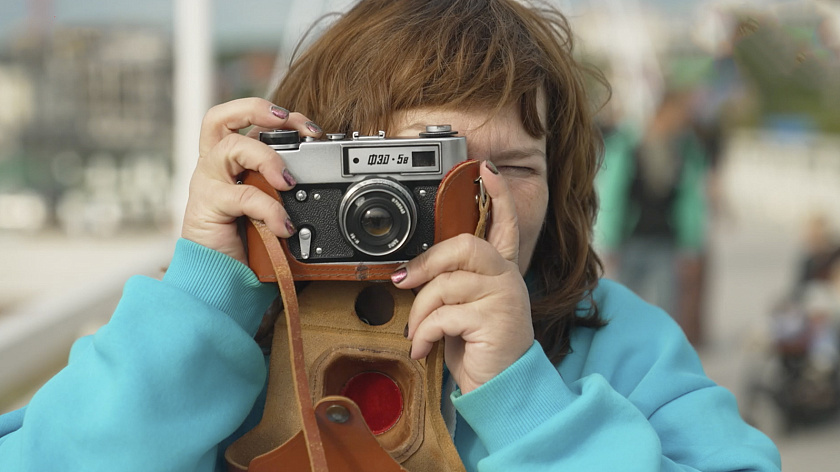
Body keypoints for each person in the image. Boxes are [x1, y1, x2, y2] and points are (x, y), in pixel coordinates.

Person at [0, 1, 780, 470]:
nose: (473, 201)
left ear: (568, 179)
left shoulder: (614, 344)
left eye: (513, 167)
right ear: (306, 167)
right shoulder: (233, 329)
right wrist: (204, 296)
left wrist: (525, 399)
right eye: (416, 169)